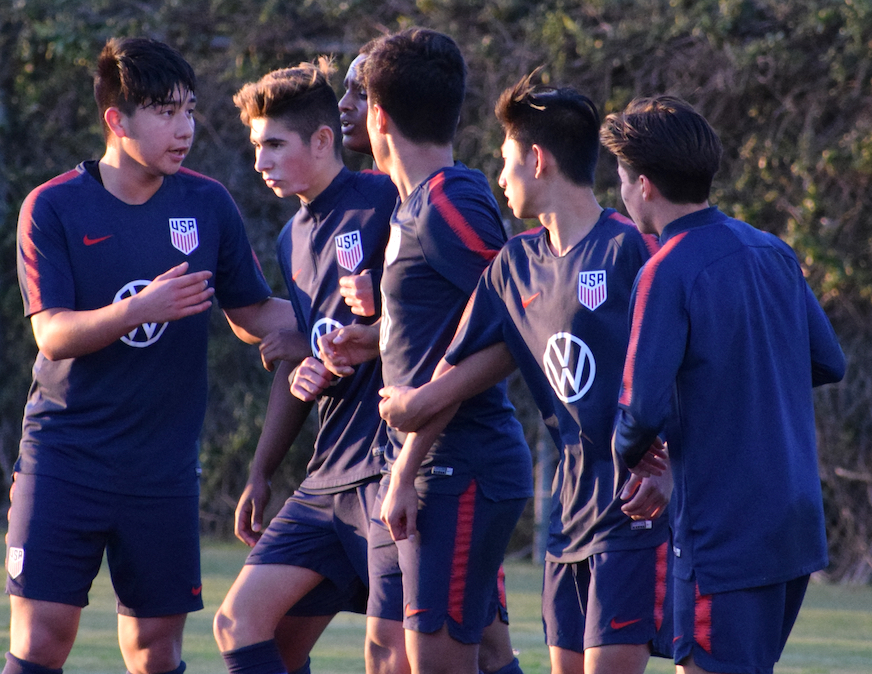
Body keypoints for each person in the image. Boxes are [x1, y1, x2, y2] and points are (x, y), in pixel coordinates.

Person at [6, 37, 295, 674]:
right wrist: (136, 310)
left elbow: (251, 313)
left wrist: (347, 322)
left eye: (189, 110)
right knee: (42, 642)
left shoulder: (206, 203)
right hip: (66, 458)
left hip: (161, 468)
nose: (185, 128)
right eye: (166, 112)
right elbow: (50, 333)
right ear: (117, 119)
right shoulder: (52, 206)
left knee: (154, 650)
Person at [376, 75, 675, 674]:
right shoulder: (515, 265)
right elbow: (458, 368)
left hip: (631, 507)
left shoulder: (630, 250)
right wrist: (406, 468)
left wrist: (671, 470)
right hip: (566, 515)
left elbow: (688, 368)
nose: (501, 176)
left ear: (537, 160)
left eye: (506, 160)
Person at [601, 96, 847, 674]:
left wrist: (634, 462)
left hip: (722, 531)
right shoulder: (771, 251)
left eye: (619, 179)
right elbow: (827, 361)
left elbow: (638, 415)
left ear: (643, 185)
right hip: (792, 525)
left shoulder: (666, 270)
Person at [320, 28, 532, 674]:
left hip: (460, 466)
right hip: (436, 466)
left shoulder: (449, 200)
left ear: (379, 115)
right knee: (484, 655)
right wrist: (375, 338)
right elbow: (453, 327)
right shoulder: (415, 205)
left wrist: (411, 454)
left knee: (434, 661)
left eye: (361, 98)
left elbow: (518, 322)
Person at [213, 60, 400, 674]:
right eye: (255, 146)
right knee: (242, 626)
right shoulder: (291, 238)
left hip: (392, 469)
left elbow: (449, 308)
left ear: (322, 141)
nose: (260, 161)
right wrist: (262, 471)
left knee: (427, 655)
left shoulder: (386, 199)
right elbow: (309, 359)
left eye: (273, 144)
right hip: (327, 477)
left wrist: (381, 314)